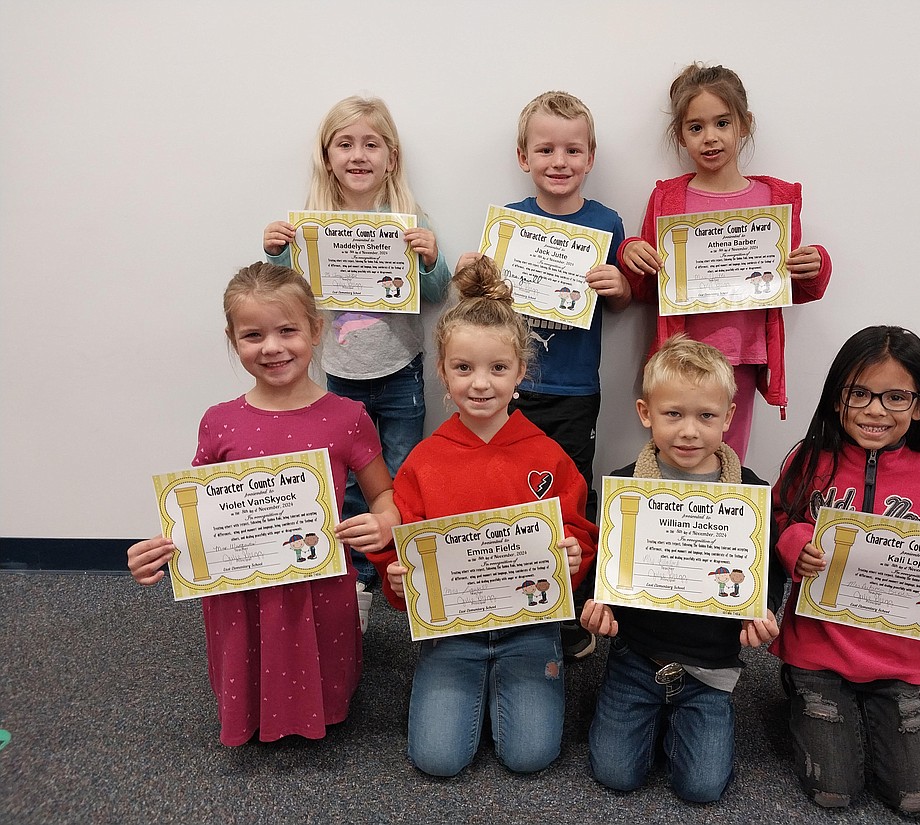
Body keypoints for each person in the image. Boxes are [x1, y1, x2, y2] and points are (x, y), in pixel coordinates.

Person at [126, 263, 400, 746]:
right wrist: (161, 550)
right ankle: (252, 713)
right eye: (253, 335)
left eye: (287, 330)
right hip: (239, 583)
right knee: (246, 648)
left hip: (318, 577)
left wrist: (384, 522)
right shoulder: (220, 421)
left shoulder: (347, 416)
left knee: (320, 653)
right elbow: (197, 508)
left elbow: (383, 491)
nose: (272, 347)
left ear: (316, 330)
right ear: (234, 341)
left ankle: (321, 710)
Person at [771, 325, 920, 814]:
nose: (875, 409)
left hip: (897, 658)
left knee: (916, 798)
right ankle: (801, 695)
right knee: (833, 792)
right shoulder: (807, 459)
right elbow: (780, 517)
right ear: (837, 398)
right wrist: (796, 542)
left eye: (895, 397)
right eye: (859, 393)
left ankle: (869, 705)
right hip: (817, 649)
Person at [369, 257, 598, 777]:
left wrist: (573, 555)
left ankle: (516, 681)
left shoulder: (548, 455)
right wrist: (398, 579)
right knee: (437, 760)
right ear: (443, 374)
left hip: (530, 628)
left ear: (521, 373)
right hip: (452, 633)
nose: (480, 384)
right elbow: (399, 548)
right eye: (463, 368)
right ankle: (470, 682)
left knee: (530, 756)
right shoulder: (424, 461)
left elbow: (580, 536)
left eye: (497, 368)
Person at [262, 96, 451, 620]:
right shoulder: (311, 226)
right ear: (327, 157)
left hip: (401, 372)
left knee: (402, 471)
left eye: (371, 144)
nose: (358, 155)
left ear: (391, 157)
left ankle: (402, 566)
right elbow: (286, 294)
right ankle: (359, 582)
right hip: (338, 379)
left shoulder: (409, 220)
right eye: (345, 144)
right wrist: (277, 253)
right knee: (345, 482)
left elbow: (435, 294)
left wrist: (432, 259)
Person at [460, 90, 630, 661]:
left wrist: (620, 286)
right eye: (545, 149)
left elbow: (624, 304)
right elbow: (482, 306)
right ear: (522, 156)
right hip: (512, 390)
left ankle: (570, 609)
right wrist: (470, 275)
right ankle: (507, 597)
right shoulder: (509, 224)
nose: (559, 161)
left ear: (590, 156)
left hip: (576, 389)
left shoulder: (608, 222)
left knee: (570, 494)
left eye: (572, 149)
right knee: (507, 491)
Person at [579, 335, 782, 803]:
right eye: (673, 414)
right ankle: (641, 713)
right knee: (615, 775)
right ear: (646, 413)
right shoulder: (625, 486)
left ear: (729, 417)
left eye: (706, 416)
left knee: (702, 789)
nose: (689, 431)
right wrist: (595, 604)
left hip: (711, 667)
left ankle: (687, 719)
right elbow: (604, 564)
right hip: (637, 656)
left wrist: (764, 610)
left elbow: (767, 569)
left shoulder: (752, 494)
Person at [619, 62, 832, 462]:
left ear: (744, 124)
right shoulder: (668, 197)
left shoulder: (775, 199)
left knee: (729, 460)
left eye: (722, 122)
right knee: (672, 456)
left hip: (743, 357)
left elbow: (790, 283)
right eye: (695, 127)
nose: (710, 138)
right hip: (678, 357)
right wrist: (633, 253)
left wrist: (816, 266)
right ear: (680, 135)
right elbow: (650, 289)